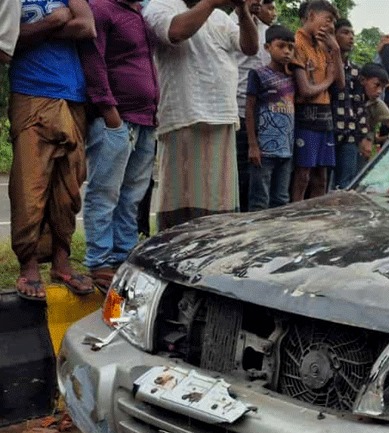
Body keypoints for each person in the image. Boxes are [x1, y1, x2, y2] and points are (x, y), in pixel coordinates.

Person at [143, 0, 259, 231]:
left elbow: (250, 47)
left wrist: (243, 12)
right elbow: (175, 32)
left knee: (219, 199)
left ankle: (214, 254)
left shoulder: (221, 17)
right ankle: (173, 253)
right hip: (184, 115)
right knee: (182, 197)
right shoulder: (161, 5)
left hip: (223, 115)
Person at [9, 0, 96, 301]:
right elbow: (6, 42)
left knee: (69, 188)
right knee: (29, 186)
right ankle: (28, 265)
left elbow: (87, 26)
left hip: (73, 95)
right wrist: (54, 22)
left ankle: (61, 263)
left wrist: (36, 31)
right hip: (29, 91)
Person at [78, 0, 159, 291]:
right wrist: (109, 113)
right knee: (105, 192)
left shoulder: (138, 14)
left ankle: (123, 257)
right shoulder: (101, 8)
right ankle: (100, 262)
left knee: (132, 197)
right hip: (116, 119)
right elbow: (92, 59)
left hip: (146, 120)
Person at [289, 0, 343, 202]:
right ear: (311, 16)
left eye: (333, 23)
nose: (330, 26)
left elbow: (341, 84)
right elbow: (305, 90)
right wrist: (328, 80)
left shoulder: (323, 46)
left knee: (321, 176)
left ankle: (316, 220)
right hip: (306, 117)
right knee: (303, 176)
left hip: (325, 118)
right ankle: (295, 218)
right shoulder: (297, 44)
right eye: (328, 20)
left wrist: (335, 51)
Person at [246, 25, 295, 210]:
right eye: (281, 46)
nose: (287, 51)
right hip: (264, 150)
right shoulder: (258, 74)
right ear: (267, 47)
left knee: (281, 200)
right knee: (260, 200)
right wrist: (252, 145)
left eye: (291, 48)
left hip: (286, 150)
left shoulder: (293, 78)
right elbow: (249, 109)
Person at [234, 0, 275, 212]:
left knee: (259, 180)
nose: (258, 2)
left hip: (266, 116)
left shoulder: (269, 33)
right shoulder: (229, 24)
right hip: (238, 111)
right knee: (239, 177)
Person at [331, 19, 368, 190]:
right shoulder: (324, 64)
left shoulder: (356, 71)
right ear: (334, 36)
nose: (351, 37)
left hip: (350, 134)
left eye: (352, 33)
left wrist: (364, 136)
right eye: (345, 33)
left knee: (346, 184)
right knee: (322, 182)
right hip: (328, 130)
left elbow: (359, 104)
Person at [359, 62, 389, 144]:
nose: (379, 91)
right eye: (376, 85)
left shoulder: (377, 104)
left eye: (383, 87)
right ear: (363, 80)